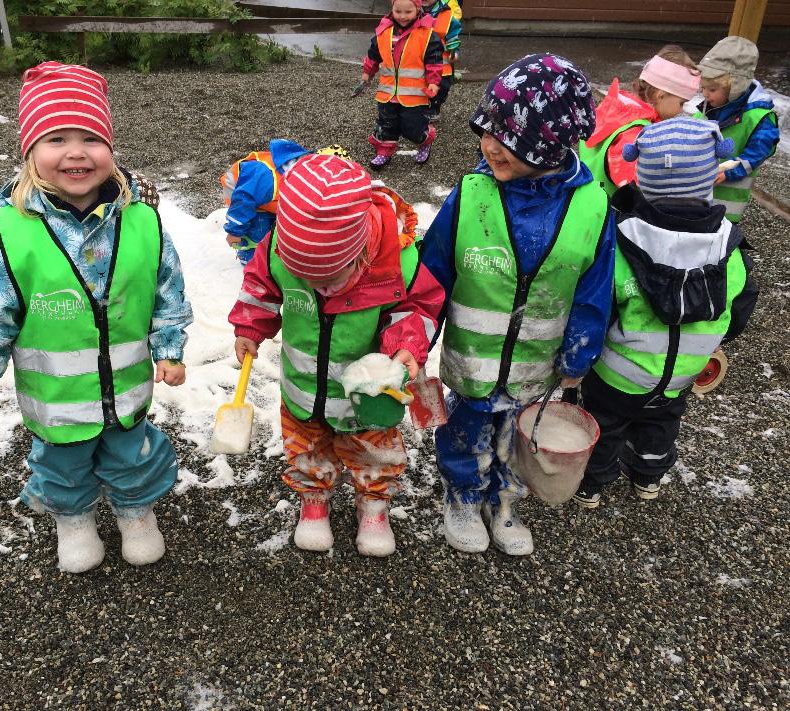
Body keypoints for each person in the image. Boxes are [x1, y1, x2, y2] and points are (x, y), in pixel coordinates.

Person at [0, 62, 193, 574]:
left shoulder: (142, 221)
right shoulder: (12, 231)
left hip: (127, 390)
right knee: (61, 465)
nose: (76, 152)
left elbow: (165, 288)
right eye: (56, 138)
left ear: (111, 149)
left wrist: (169, 345)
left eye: (91, 138)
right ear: (30, 152)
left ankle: (136, 512)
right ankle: (74, 519)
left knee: (133, 456)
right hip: (56, 400)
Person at [420, 54, 615, 556]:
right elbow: (432, 274)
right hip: (472, 362)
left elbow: (595, 287)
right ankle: (463, 494)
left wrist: (580, 353)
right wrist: (417, 332)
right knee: (464, 432)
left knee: (519, 441)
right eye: (484, 131)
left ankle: (506, 502)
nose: (488, 146)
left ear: (549, 145)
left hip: (537, 365)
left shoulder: (592, 206)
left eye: (505, 140)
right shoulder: (471, 195)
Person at [228, 154, 444, 557]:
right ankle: (314, 502)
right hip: (304, 389)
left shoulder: (395, 260)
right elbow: (260, 288)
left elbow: (417, 308)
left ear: (360, 252)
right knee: (306, 449)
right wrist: (250, 327)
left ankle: (374, 505)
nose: (316, 286)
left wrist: (406, 346)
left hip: (370, 396)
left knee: (375, 453)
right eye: (304, 277)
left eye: (329, 278)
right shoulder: (277, 249)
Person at [573, 117, 758, 508]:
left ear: (645, 179)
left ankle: (592, 484)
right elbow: (740, 309)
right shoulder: (730, 248)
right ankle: (647, 477)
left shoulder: (623, 240)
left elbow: (599, 307)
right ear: (709, 178)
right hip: (681, 373)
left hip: (618, 374)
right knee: (661, 424)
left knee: (605, 426)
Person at [580, 45, 701, 196]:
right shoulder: (634, 134)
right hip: (615, 214)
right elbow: (639, 187)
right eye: (682, 103)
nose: (681, 110)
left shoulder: (617, 110)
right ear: (661, 95)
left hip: (595, 201)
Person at [697, 36, 780, 223]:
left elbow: (757, 154)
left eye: (712, 89)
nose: (705, 94)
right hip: (699, 198)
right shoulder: (709, 107)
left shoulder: (759, 118)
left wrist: (729, 172)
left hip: (728, 205)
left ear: (735, 86)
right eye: (703, 87)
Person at [360, 0, 444, 167]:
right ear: (392, 8)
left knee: (413, 128)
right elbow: (373, 55)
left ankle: (424, 139)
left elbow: (434, 61)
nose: (403, 16)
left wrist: (434, 82)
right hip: (387, 92)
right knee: (387, 124)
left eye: (408, 12)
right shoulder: (384, 31)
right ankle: (384, 151)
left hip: (414, 95)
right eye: (398, 11)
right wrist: (367, 73)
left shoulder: (427, 34)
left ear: (418, 9)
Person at [220, 139, 313, 266]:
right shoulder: (269, 180)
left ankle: (271, 249)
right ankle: (250, 259)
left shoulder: (303, 179)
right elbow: (242, 203)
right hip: (240, 191)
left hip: (264, 195)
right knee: (258, 230)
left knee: (277, 227)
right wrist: (234, 232)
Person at [422, 0, 462, 121]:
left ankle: (434, 107)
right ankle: (416, 107)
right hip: (417, 61)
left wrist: (454, 51)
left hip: (440, 61)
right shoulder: (410, 11)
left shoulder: (447, 15)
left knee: (441, 87)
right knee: (417, 85)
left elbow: (453, 37)